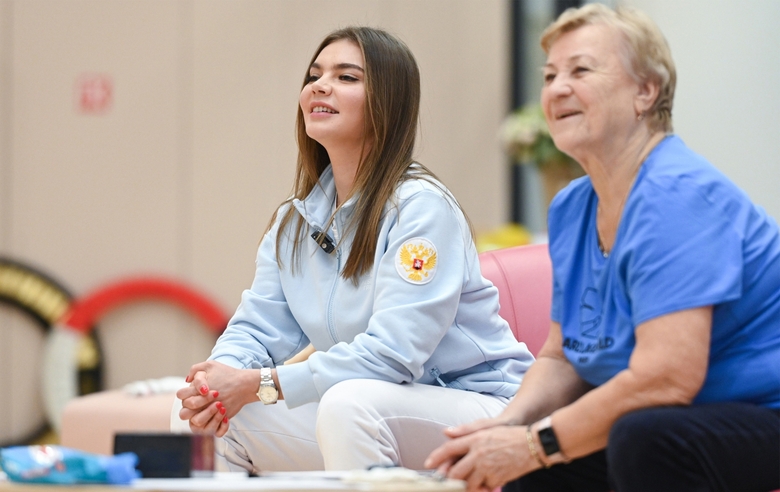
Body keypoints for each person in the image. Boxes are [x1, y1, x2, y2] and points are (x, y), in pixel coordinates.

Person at [425, 4, 780, 492]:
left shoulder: (679, 195)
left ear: (644, 91)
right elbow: (561, 357)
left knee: (638, 439)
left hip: (761, 414)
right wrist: (507, 428)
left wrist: (535, 444)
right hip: (675, 419)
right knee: (537, 469)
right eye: (549, 75)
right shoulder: (572, 206)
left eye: (581, 70)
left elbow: (666, 379)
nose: (557, 88)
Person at [173, 26, 535, 474]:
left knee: (349, 403)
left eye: (346, 77)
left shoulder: (421, 208)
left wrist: (260, 383)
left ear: (387, 104)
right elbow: (258, 327)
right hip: (377, 405)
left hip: (484, 409)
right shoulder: (295, 220)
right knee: (203, 419)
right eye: (314, 74)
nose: (320, 85)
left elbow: (393, 355)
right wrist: (218, 380)